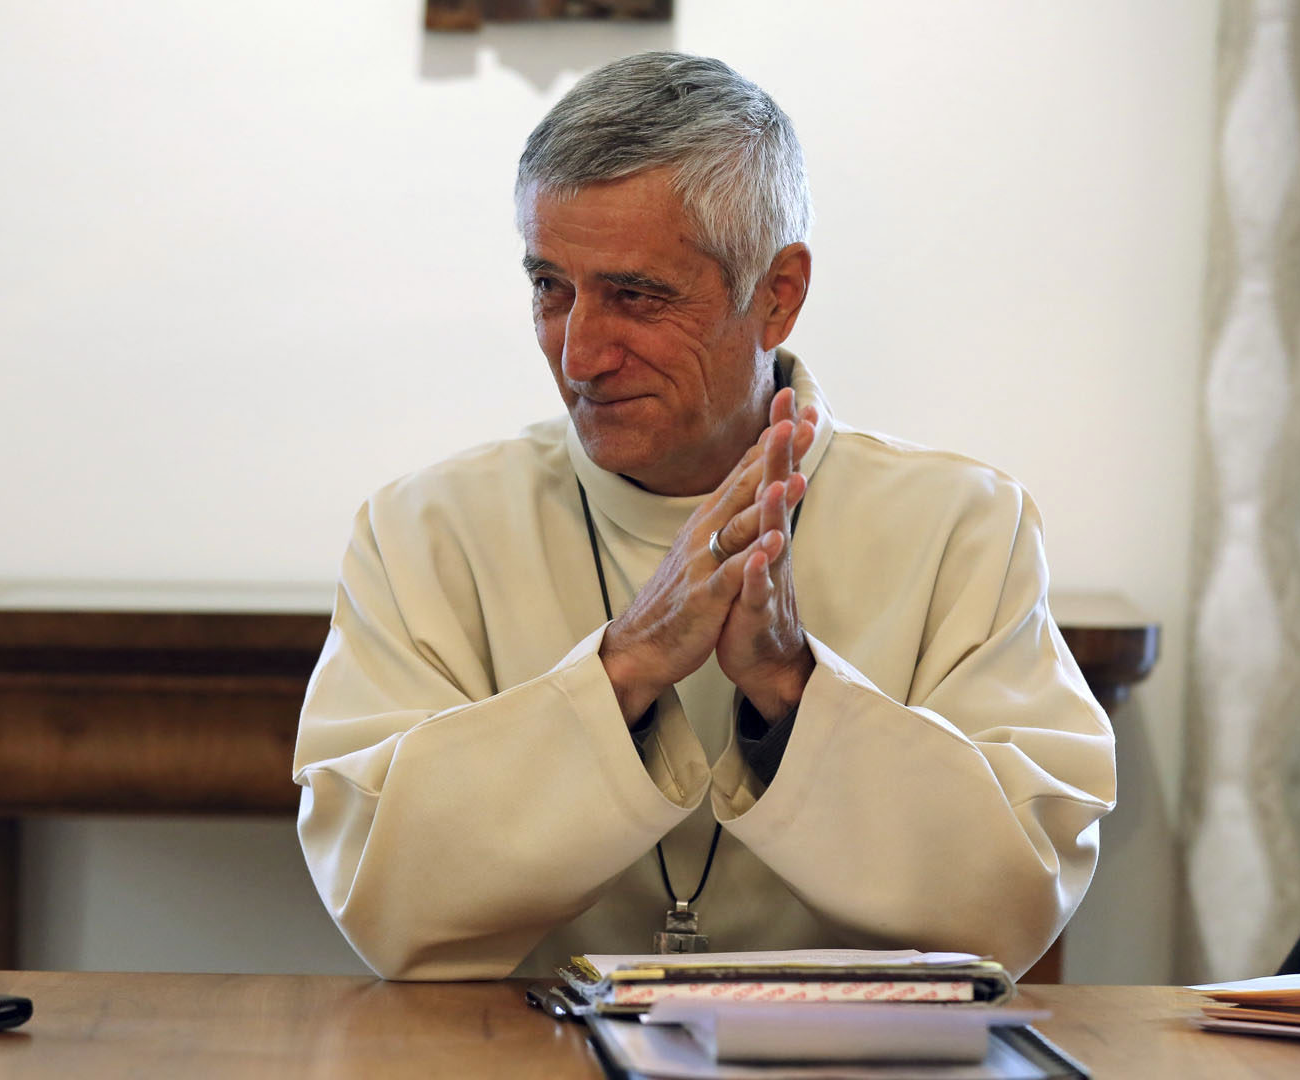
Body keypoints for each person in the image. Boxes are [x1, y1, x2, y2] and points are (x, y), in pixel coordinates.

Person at [293, 52, 1115, 981]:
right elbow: (382, 896)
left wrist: (794, 688)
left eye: (637, 296)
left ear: (778, 295)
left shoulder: (965, 528)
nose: (580, 353)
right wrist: (627, 664)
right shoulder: (423, 533)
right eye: (550, 287)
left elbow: (1012, 899)